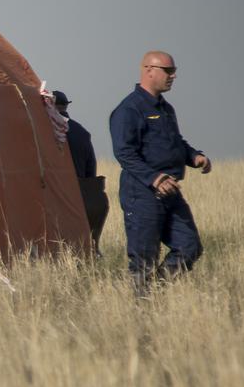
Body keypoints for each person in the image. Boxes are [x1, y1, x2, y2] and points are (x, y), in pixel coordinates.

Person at [109, 51, 211, 295]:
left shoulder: (166, 109)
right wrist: (154, 178)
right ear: (148, 70)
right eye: (168, 70)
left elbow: (175, 142)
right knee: (144, 258)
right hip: (142, 193)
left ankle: (155, 291)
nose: (173, 76)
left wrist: (193, 156)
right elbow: (124, 153)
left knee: (189, 247)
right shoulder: (129, 109)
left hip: (171, 192)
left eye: (174, 70)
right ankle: (142, 309)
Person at [54, 90, 109, 254]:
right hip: (86, 196)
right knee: (88, 250)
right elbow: (91, 172)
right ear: (65, 106)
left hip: (59, 197)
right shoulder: (82, 132)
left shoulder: (45, 130)